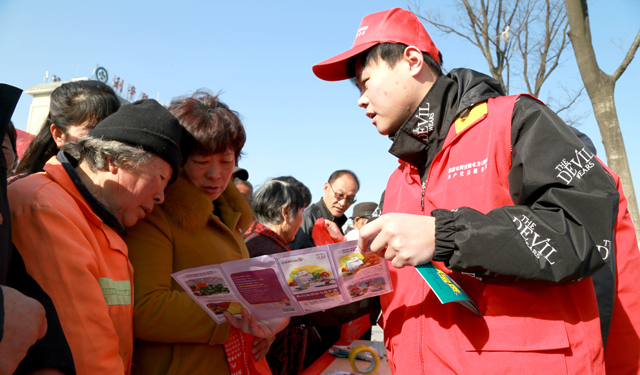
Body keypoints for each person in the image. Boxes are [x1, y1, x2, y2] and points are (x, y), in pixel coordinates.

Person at [312, 8, 633, 374]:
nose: (360, 99)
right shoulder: (397, 181)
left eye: (365, 81)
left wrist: (444, 236)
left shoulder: (514, 121)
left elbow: (584, 231)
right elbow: (388, 285)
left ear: (412, 60)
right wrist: (297, 310)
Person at [9, 99, 186, 375]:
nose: (161, 196)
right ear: (115, 161)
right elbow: (87, 349)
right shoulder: (46, 207)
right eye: (161, 178)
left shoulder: (102, 223)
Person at [125, 90, 287, 375]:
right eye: (202, 161)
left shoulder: (230, 217)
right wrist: (239, 314)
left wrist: (262, 326)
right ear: (178, 158)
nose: (216, 174)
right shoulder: (156, 213)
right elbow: (145, 308)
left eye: (226, 162)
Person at [244, 179, 307, 374]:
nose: (302, 220)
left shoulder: (246, 240)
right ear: (286, 212)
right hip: (270, 354)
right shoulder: (276, 255)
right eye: (301, 212)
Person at [13, 80, 120, 181]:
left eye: (113, 132)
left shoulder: (119, 192)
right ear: (59, 135)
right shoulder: (25, 191)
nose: (106, 142)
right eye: (94, 132)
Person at [289, 170, 359, 251]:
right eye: (339, 195)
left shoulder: (337, 220)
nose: (343, 203)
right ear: (326, 188)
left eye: (350, 199)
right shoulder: (308, 218)